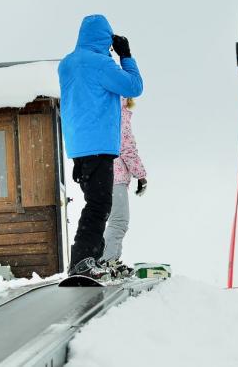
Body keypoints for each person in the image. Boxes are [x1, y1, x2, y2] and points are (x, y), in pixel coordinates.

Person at [58, 14, 143, 280]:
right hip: (99, 145)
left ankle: (89, 259)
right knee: (99, 204)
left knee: (95, 202)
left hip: (78, 147)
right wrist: (125, 55)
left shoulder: (67, 64)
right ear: (106, 39)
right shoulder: (101, 64)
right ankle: (82, 260)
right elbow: (134, 87)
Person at [100, 97, 147, 275]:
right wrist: (141, 176)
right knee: (119, 221)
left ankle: (112, 260)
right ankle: (107, 261)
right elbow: (127, 147)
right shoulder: (120, 113)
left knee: (114, 220)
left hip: (103, 175)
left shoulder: (106, 111)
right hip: (116, 175)